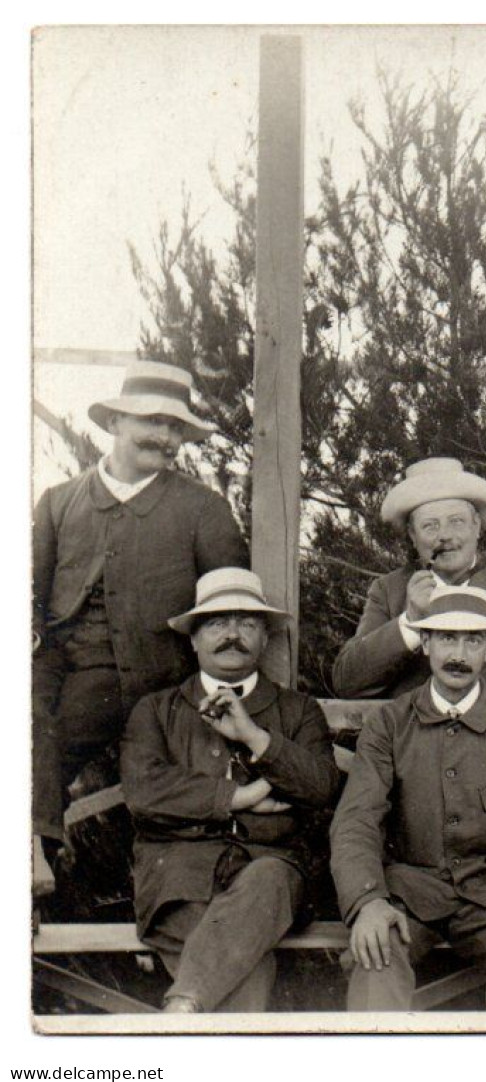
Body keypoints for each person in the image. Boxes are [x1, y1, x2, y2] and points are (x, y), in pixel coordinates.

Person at [33, 359, 250, 845]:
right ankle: (33, 865)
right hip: (60, 671)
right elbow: (29, 595)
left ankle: (31, 856)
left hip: (152, 680)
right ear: (115, 423)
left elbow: (232, 607)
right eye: (153, 422)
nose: (166, 437)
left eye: (175, 427)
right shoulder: (58, 501)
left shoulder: (203, 510)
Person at [331, 584, 486, 1011]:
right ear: (425, 643)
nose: (458, 654)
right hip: (411, 894)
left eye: (472, 640)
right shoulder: (390, 722)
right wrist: (368, 901)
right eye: (446, 637)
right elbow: (357, 820)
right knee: (375, 956)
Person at [120, 569, 342, 1012]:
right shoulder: (157, 710)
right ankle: (186, 1008)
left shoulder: (297, 711)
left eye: (247, 624)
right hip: (179, 881)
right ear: (194, 640)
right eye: (217, 624)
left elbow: (321, 787)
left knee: (267, 878)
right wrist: (238, 797)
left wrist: (256, 738)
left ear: (264, 639)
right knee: (246, 973)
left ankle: (182, 1011)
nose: (232, 635)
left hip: (270, 878)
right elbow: (144, 793)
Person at [331, 457, 486, 702]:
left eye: (456, 521)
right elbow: (347, 682)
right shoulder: (389, 590)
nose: (444, 536)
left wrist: (447, 689)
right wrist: (409, 621)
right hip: (414, 739)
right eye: (430, 526)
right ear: (413, 536)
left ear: (477, 526)